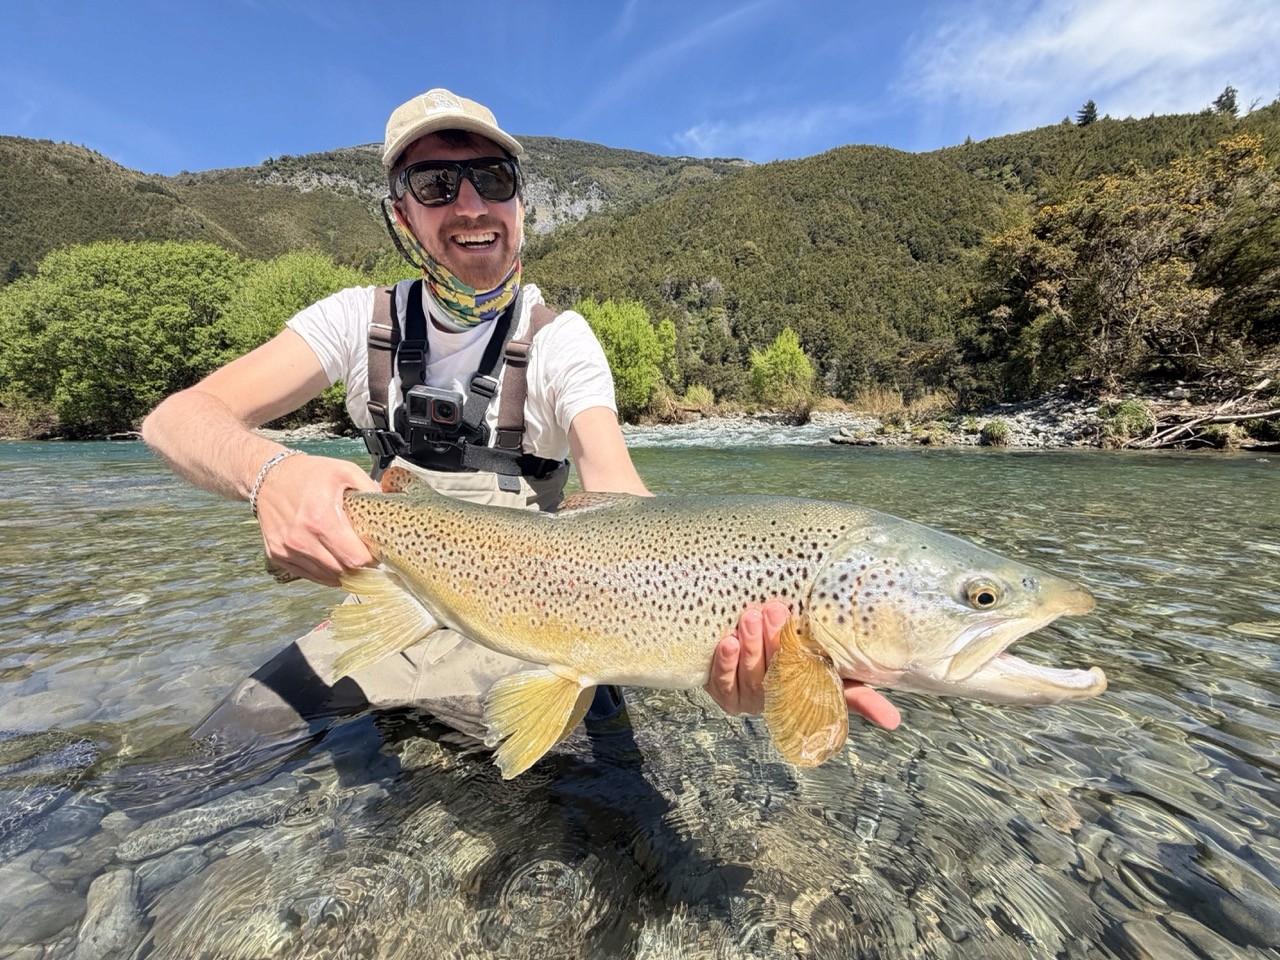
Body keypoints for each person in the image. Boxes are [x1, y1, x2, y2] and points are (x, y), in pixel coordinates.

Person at [141, 87, 900, 746]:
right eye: (436, 184)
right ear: (400, 213)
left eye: (491, 179)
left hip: (532, 624)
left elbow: (619, 494)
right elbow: (177, 419)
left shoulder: (559, 341)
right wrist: (271, 472)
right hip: (399, 600)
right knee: (227, 745)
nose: (469, 205)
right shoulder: (352, 322)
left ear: (518, 203)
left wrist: (708, 638)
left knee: (574, 811)